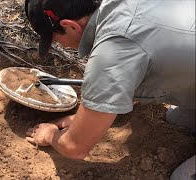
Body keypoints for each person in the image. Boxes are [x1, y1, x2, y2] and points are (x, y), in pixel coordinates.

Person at [24, 0, 195, 179]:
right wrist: (83, 119)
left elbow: (75, 147)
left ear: (71, 26)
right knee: (176, 121)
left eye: (56, 40)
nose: (61, 46)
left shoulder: (113, 52)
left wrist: (50, 135)